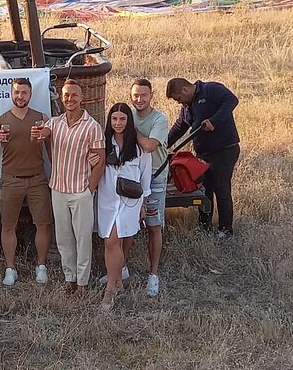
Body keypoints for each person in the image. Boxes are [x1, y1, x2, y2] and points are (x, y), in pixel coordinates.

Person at [37, 79, 105, 296]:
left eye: (74, 95)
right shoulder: (55, 123)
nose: (70, 99)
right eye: (66, 95)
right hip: (58, 189)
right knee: (64, 238)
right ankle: (70, 278)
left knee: (83, 238)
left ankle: (83, 283)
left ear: (81, 98)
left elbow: (100, 161)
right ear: (62, 97)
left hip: (80, 191)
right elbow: (42, 134)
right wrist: (37, 134)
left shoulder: (92, 126)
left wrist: (89, 190)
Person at [0, 78, 53, 286]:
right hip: (11, 180)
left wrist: (56, 172)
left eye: (24, 92)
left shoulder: (42, 118)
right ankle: (10, 268)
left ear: (30, 94)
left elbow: (51, 151)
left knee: (43, 224)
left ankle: (41, 267)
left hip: (37, 179)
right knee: (8, 226)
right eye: (16, 92)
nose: (20, 96)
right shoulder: (0, 120)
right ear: (11, 94)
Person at [166, 78, 240, 240]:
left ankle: (226, 231)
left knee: (221, 190)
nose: (179, 102)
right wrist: (162, 144)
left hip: (224, 151)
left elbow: (232, 100)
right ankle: (204, 227)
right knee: (204, 190)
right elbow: (180, 127)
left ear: (185, 90)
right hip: (203, 154)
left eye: (178, 98)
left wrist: (214, 121)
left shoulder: (211, 89)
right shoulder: (187, 107)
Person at [96, 102, 151, 311]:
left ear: (129, 122)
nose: (118, 123)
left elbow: (146, 176)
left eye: (122, 119)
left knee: (112, 241)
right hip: (108, 201)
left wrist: (144, 203)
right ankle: (117, 279)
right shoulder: (103, 143)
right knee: (113, 243)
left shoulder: (138, 148)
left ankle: (110, 290)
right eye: (114, 119)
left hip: (129, 202)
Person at [129, 78, 168, 296]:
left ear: (151, 95)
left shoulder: (159, 119)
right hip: (132, 176)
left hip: (155, 178)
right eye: (136, 95)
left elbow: (149, 145)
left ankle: (153, 274)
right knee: (127, 225)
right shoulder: (129, 115)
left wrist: (131, 131)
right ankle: (122, 268)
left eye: (144, 95)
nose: (140, 99)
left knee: (154, 226)